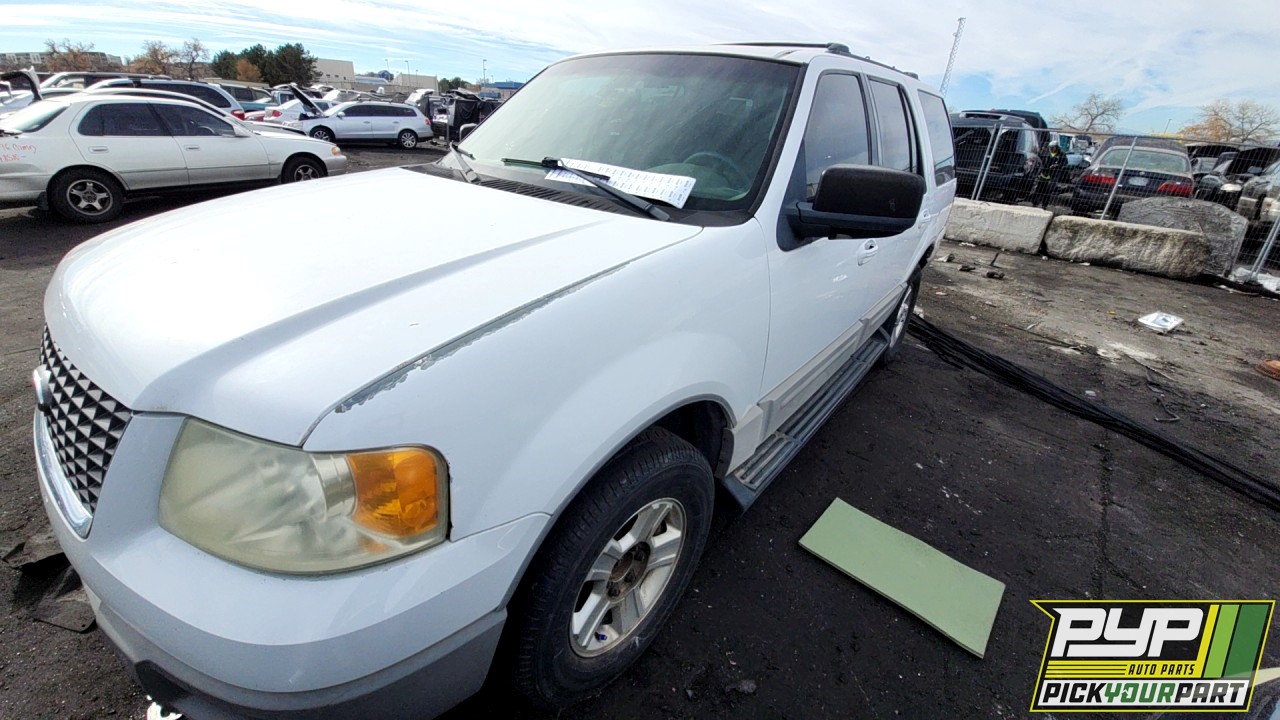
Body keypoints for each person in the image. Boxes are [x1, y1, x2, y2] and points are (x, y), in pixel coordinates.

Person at [1033, 144, 1067, 208]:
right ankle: (1035, 203)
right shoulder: (1046, 153)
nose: (1051, 149)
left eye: (1053, 147)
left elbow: (1064, 164)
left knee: (1048, 190)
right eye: (1050, 147)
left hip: (1054, 175)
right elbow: (1040, 160)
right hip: (1044, 173)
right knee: (1039, 188)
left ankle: (1044, 205)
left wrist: (1057, 166)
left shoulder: (1061, 155)